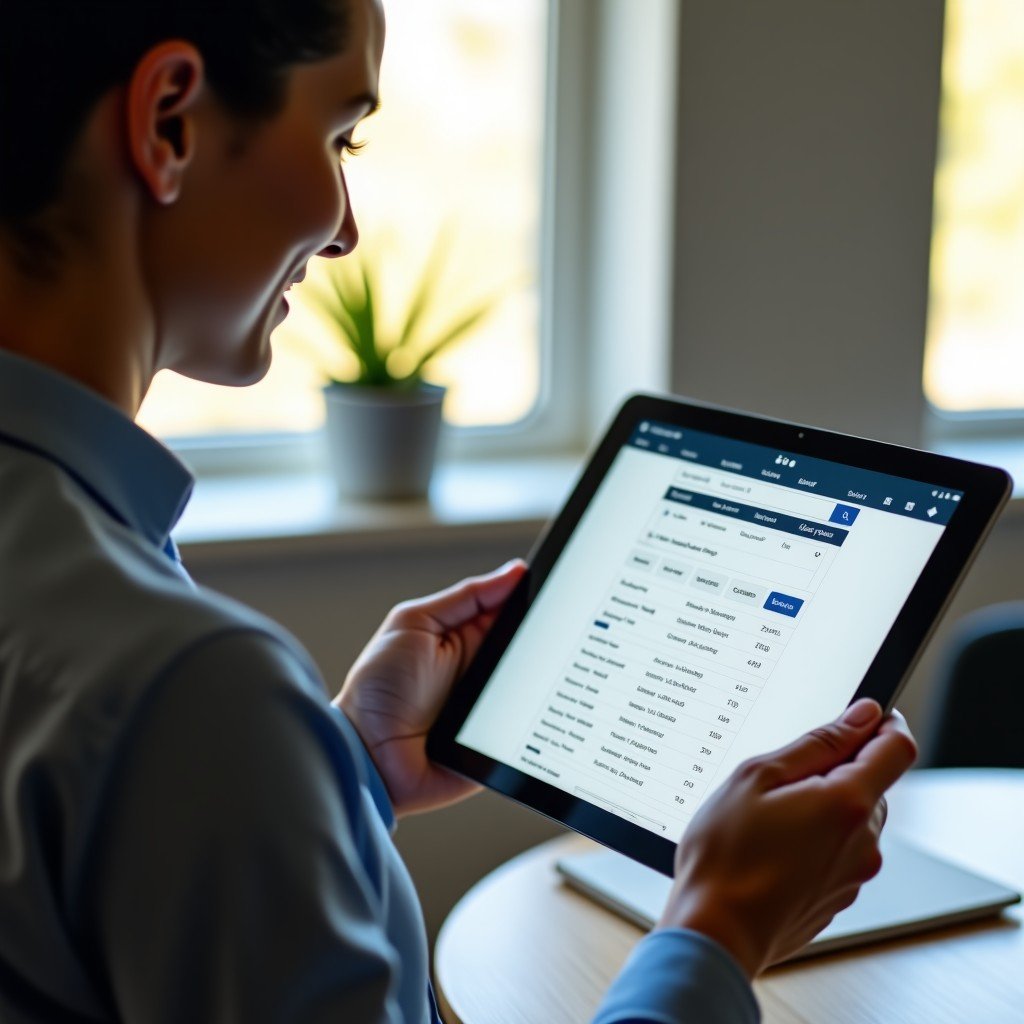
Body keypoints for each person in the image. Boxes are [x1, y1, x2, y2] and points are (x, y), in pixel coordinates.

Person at [0, 1, 917, 1021]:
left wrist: (336, 761)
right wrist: (718, 928)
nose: (345, 228)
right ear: (169, 122)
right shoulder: (180, 686)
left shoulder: (108, 634)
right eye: (338, 134)